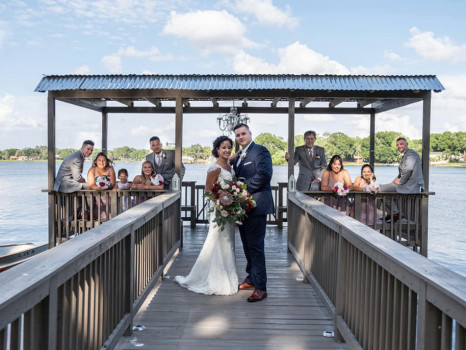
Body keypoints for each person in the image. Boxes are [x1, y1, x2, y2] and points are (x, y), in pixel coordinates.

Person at [174, 136, 238, 295]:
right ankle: (215, 280)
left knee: (228, 241)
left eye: (229, 147)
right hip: (219, 210)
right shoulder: (214, 168)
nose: (227, 150)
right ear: (217, 149)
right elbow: (208, 191)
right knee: (216, 240)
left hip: (229, 210)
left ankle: (229, 278)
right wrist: (222, 202)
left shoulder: (229, 166)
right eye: (223, 147)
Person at [233, 123, 274, 303]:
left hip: (257, 206)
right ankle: (251, 278)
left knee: (256, 247)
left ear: (250, 133)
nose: (241, 137)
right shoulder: (239, 156)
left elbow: (264, 175)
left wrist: (241, 189)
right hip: (243, 207)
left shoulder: (260, 151)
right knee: (246, 245)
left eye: (243, 134)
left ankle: (261, 287)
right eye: (238, 135)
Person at [379, 137, 425, 221]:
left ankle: (396, 213)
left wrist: (400, 181)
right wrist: (393, 182)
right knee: (383, 188)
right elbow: (401, 173)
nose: (399, 146)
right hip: (405, 184)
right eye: (397, 145)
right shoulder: (405, 155)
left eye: (401, 144)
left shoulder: (411, 154)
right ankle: (391, 213)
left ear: (407, 144)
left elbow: (408, 169)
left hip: (410, 186)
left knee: (379, 189)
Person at [87, 152, 116, 220]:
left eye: (103, 160)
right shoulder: (92, 170)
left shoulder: (110, 169)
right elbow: (91, 184)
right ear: (96, 161)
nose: (101, 162)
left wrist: (106, 187)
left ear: (107, 161)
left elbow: (112, 182)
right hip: (97, 197)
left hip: (109, 197)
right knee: (97, 217)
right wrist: (99, 189)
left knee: (110, 217)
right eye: (99, 160)